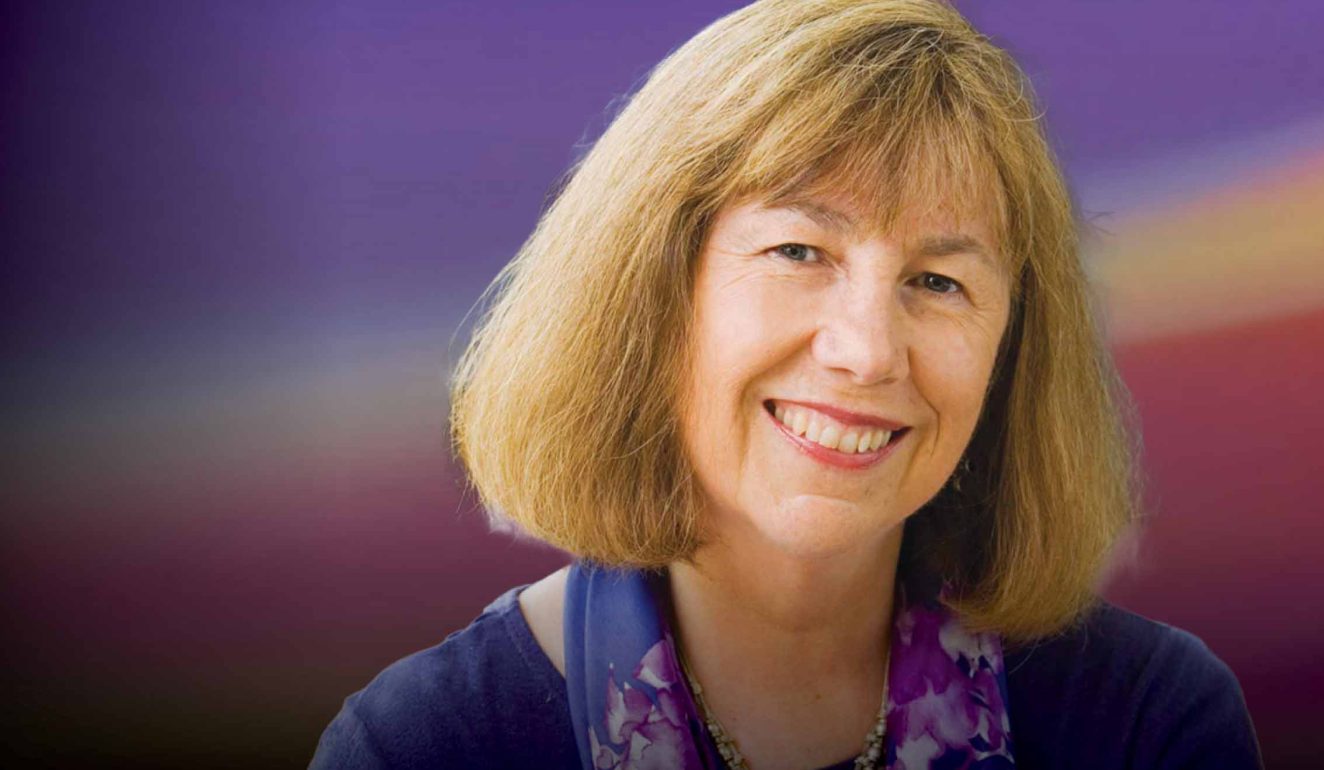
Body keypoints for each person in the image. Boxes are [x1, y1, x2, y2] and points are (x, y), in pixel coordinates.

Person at [312, 0, 1260, 767]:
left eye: (939, 282)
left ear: (1012, 351)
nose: (866, 351)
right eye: (799, 250)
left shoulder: (1148, 724)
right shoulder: (422, 746)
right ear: (650, 293)